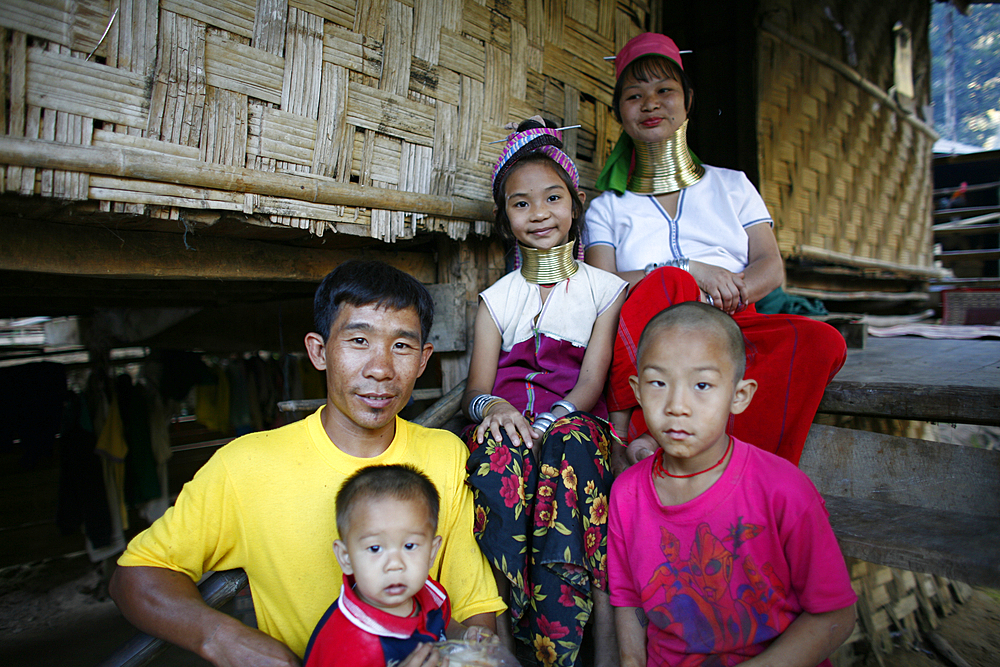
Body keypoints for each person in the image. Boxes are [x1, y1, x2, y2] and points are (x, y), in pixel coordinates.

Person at [110, 260, 503, 667]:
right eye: (358, 341)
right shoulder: (246, 466)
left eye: (401, 346)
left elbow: (472, 603)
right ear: (319, 351)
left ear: (423, 361)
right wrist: (221, 637)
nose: (382, 370)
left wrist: (470, 654)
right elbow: (136, 576)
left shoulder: (444, 453)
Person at [585, 32, 847, 467]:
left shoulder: (732, 184)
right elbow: (601, 282)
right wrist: (688, 271)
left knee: (822, 342)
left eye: (664, 91)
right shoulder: (608, 206)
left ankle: (751, 466)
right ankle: (649, 431)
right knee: (669, 281)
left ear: (688, 101)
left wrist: (724, 293)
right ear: (620, 113)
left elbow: (769, 266)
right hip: (653, 332)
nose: (650, 103)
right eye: (634, 95)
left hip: (732, 320)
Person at [462, 117, 628, 667]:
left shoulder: (605, 290)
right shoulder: (496, 298)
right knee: (493, 456)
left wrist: (550, 419)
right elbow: (477, 391)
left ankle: (566, 642)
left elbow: (591, 382)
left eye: (552, 198)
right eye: (521, 204)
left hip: (575, 423)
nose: (539, 214)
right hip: (511, 422)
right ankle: (511, 635)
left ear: (575, 204)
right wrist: (499, 409)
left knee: (569, 449)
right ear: (505, 218)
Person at [609, 302, 857, 666]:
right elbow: (628, 598)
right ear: (638, 390)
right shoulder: (627, 493)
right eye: (659, 383)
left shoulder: (783, 490)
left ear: (739, 396)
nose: (678, 405)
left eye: (703, 385)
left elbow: (836, 616)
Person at [304, 464, 488, 667]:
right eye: (375, 548)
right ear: (346, 557)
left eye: (409, 546)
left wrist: (464, 635)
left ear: (432, 553)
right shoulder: (344, 644)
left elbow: (439, 624)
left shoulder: (428, 594)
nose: (394, 565)